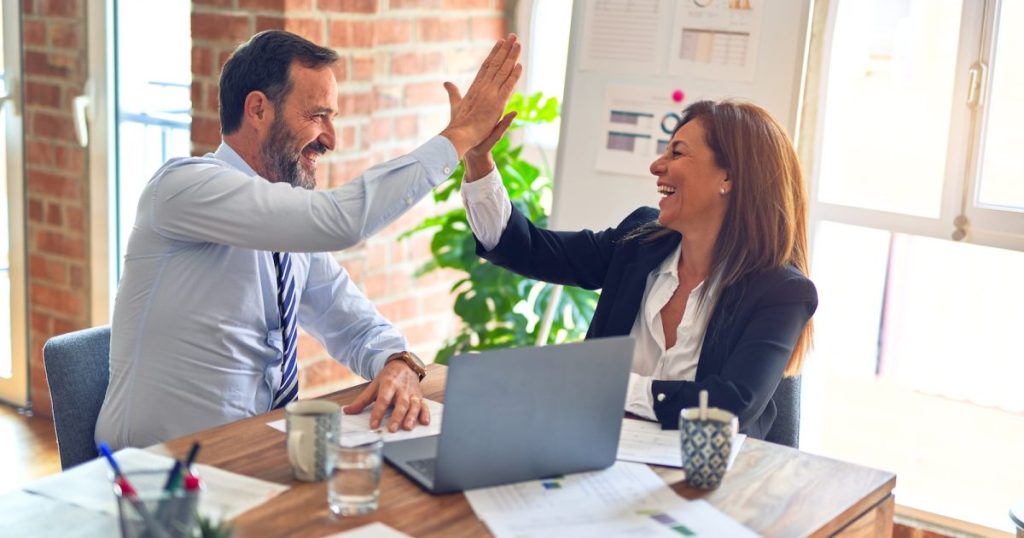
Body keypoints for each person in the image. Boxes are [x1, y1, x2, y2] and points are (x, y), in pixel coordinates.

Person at [95, 30, 522, 449]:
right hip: (155, 475)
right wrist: (460, 136)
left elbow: (352, 322)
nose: (330, 139)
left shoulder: (287, 228)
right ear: (259, 110)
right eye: (318, 115)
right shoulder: (183, 188)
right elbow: (341, 221)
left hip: (252, 457)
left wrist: (397, 362)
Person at [460, 100, 817, 439]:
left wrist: (607, 385)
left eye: (676, 153)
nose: (657, 166)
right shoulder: (640, 242)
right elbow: (526, 249)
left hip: (709, 484)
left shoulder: (781, 292)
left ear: (728, 177)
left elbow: (728, 408)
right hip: (598, 456)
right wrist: (478, 159)